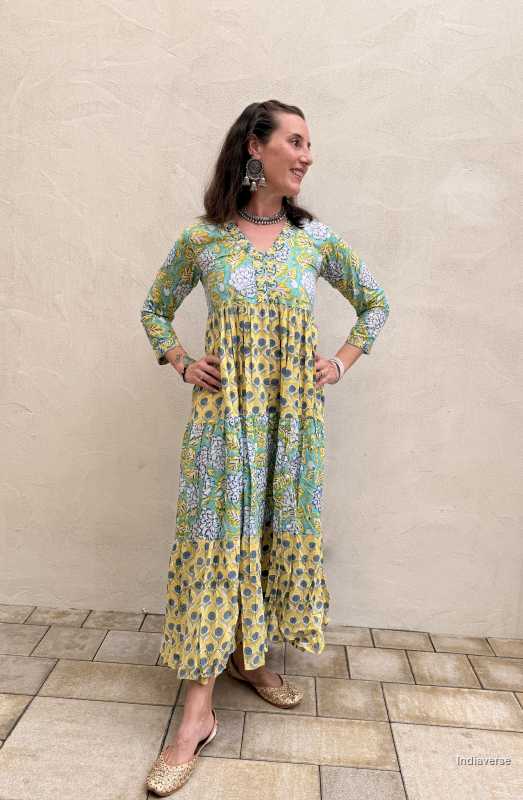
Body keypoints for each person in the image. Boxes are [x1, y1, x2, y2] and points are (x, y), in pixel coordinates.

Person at [140, 99, 390, 794]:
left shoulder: (314, 242)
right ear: (256, 146)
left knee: (271, 536)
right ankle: (196, 715)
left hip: (292, 425)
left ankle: (248, 659)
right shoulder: (204, 240)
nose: (307, 155)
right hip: (224, 424)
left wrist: (337, 362)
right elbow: (154, 308)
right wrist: (182, 360)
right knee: (218, 543)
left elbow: (375, 303)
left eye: (310, 144)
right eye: (296, 141)